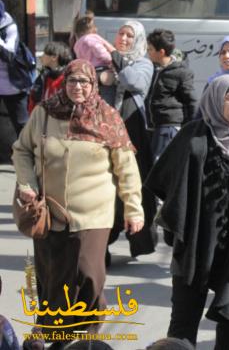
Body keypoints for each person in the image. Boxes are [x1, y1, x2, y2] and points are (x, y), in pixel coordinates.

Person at [12, 60, 144, 345]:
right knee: (53, 280)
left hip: (93, 214)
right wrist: (27, 183)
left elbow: (127, 168)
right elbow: (22, 150)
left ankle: (88, 338)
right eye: (72, 81)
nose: (78, 87)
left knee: (88, 276)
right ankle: (61, 339)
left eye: (84, 82)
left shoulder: (108, 117)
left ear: (93, 85)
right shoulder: (45, 113)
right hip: (49, 213)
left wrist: (134, 209)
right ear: (64, 83)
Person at [144, 75, 229, 349]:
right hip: (194, 242)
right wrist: (174, 220)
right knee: (183, 320)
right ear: (216, 99)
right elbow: (161, 178)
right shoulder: (193, 135)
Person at [105, 20, 156, 260]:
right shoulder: (104, 60)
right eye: (121, 33)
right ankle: (102, 244)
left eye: (129, 36)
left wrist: (117, 63)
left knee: (134, 185)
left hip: (132, 131)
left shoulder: (144, 63)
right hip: (106, 132)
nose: (124, 39)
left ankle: (140, 240)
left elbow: (135, 82)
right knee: (107, 187)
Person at [145, 28, 196, 161]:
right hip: (158, 127)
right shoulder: (158, 69)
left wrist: (191, 130)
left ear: (161, 52)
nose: (147, 52)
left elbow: (192, 102)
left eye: (150, 49)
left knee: (163, 165)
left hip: (169, 129)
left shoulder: (180, 72)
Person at [0, 0, 29, 136]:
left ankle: (26, 156)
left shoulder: (9, 27)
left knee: (22, 125)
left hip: (12, 85)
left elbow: (9, 55)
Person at [28, 41, 72, 113]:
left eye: (44, 53)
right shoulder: (43, 77)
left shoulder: (66, 79)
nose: (41, 56)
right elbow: (33, 99)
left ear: (54, 57)